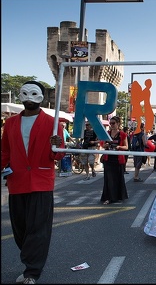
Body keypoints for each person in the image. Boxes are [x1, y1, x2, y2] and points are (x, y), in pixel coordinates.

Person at [1, 80, 65, 284]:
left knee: (38, 228)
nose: (29, 97)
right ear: (20, 95)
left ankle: (32, 272)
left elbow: (58, 156)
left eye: (33, 93)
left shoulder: (53, 124)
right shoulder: (10, 124)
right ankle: (30, 260)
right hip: (17, 181)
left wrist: (57, 146)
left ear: (41, 97)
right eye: (25, 93)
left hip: (41, 181)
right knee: (20, 228)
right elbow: (5, 151)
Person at [100, 116, 129, 205]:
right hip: (108, 158)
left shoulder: (123, 134)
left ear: (118, 124)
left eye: (113, 123)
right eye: (110, 123)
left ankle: (118, 196)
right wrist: (107, 145)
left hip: (118, 159)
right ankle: (108, 197)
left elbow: (126, 147)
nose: (111, 125)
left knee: (118, 178)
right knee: (108, 179)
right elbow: (102, 145)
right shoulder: (107, 133)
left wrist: (119, 147)